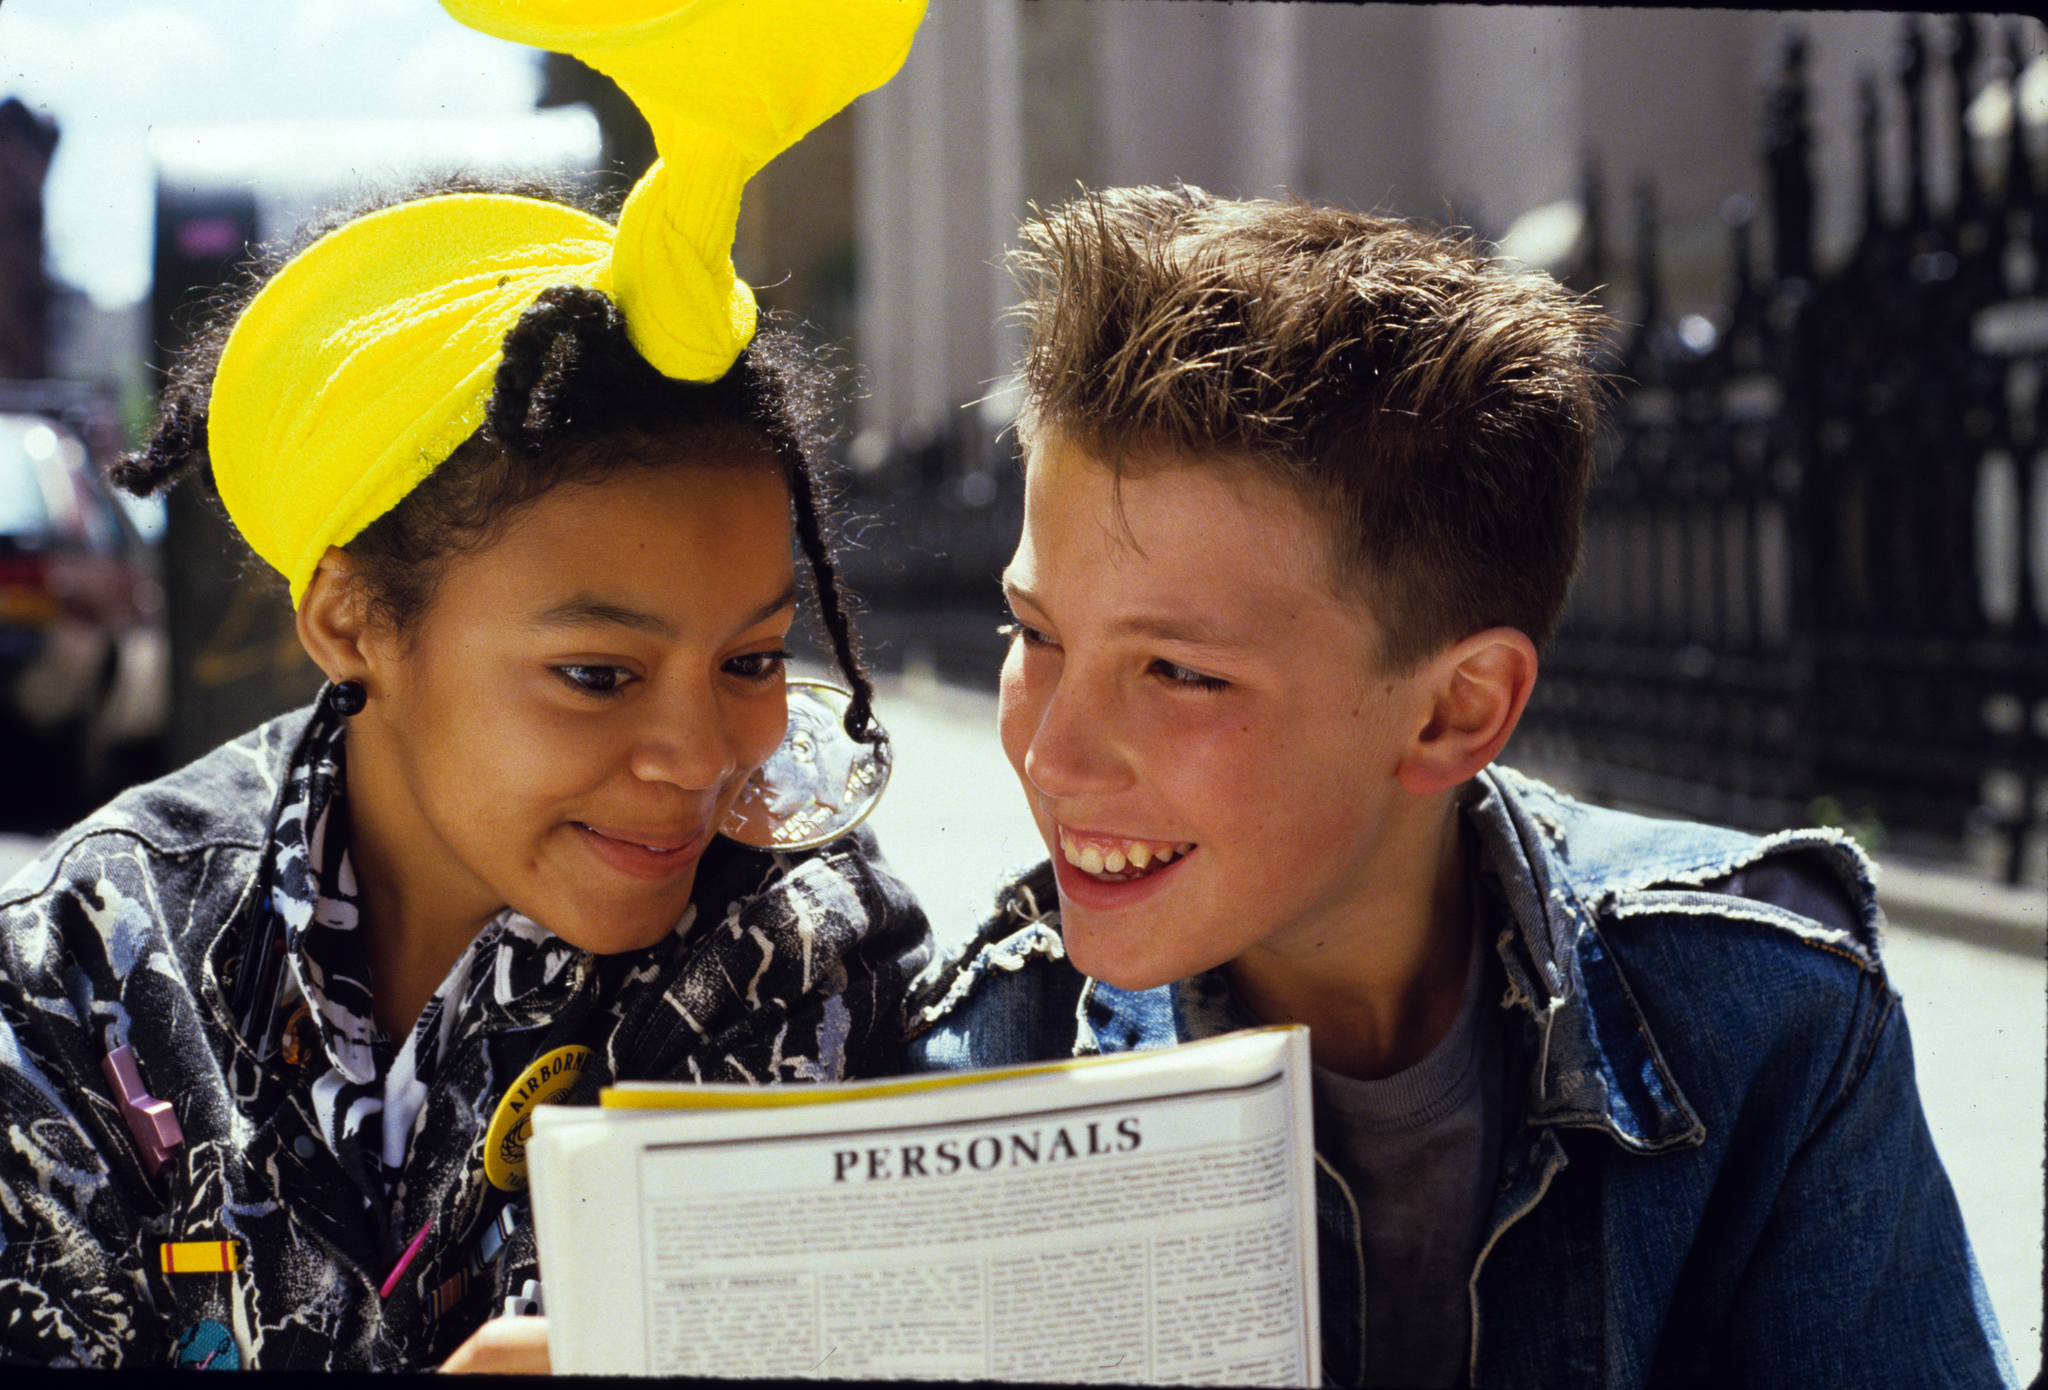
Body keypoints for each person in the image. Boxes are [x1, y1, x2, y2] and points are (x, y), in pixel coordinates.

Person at [905, 185, 2016, 1389]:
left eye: (1177, 671)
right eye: (1035, 631)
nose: (1053, 754)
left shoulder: (1769, 1027)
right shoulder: (979, 1072)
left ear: (1455, 709)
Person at [0, 0, 931, 1370]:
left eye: (748, 658)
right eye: (597, 672)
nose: (697, 751)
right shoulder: (87, 966)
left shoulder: (804, 944)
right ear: (353, 618)